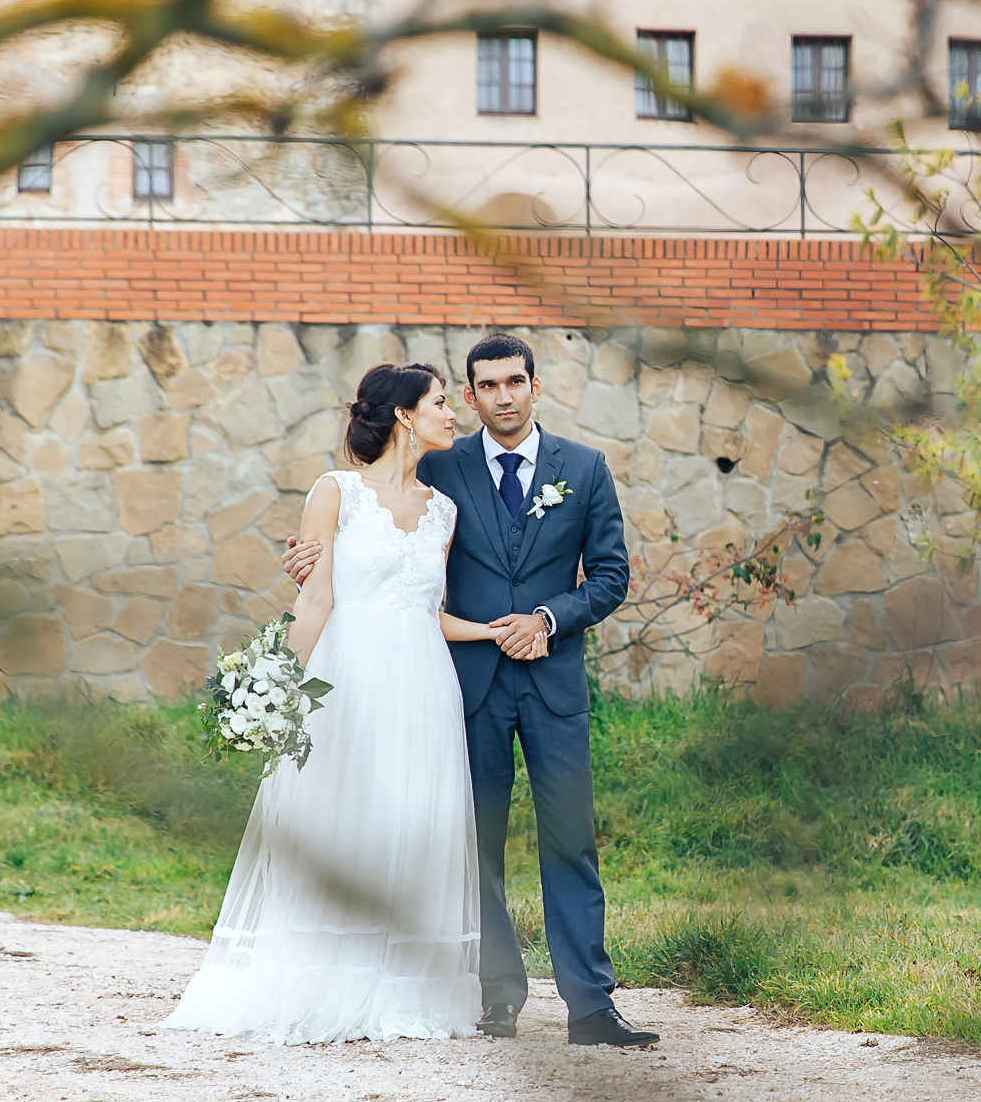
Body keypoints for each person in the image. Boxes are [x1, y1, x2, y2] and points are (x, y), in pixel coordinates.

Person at [285, 333, 653, 1047]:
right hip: (462, 686)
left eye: (515, 382)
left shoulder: (585, 468)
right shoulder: (441, 466)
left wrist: (548, 617)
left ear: (535, 387)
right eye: (486, 386)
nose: (502, 396)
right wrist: (305, 558)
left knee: (570, 840)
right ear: (474, 392)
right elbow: (372, 532)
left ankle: (591, 1006)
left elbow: (610, 576)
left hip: (552, 683)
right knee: (471, 845)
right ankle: (496, 997)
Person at [166, 364, 492, 1045]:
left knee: (413, 820)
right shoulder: (334, 491)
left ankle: (402, 988)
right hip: (350, 676)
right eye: (439, 402)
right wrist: (274, 684)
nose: (452, 412)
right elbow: (315, 596)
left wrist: (497, 628)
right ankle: (323, 979)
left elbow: (431, 611)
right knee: (346, 818)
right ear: (404, 415)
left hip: (425, 684)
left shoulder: (444, 510)